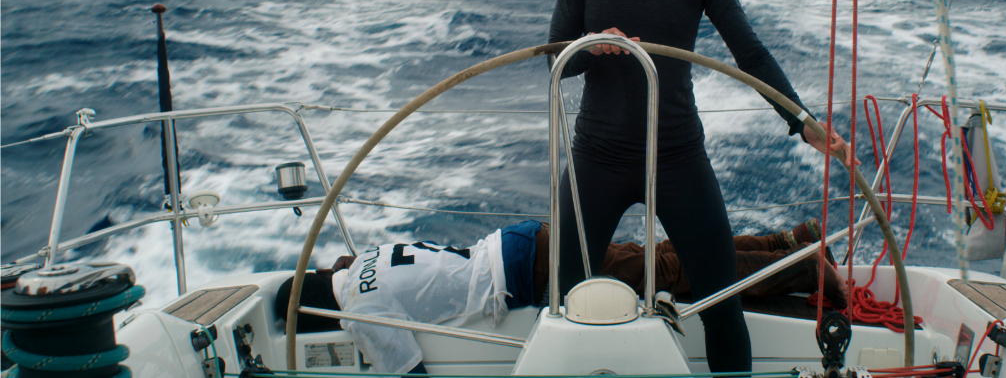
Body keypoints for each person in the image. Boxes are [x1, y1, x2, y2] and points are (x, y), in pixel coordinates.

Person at [547, 0, 858, 372]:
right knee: (567, 303)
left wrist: (802, 121)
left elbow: (751, 54)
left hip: (676, 155)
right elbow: (555, 59)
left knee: (722, 305)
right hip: (597, 155)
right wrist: (597, 47)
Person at [277, 219, 846, 375]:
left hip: (529, 269)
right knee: (657, 258)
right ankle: (786, 242)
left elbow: (407, 369)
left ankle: (803, 270)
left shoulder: (358, 307)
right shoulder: (363, 263)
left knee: (667, 270)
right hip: (519, 243)